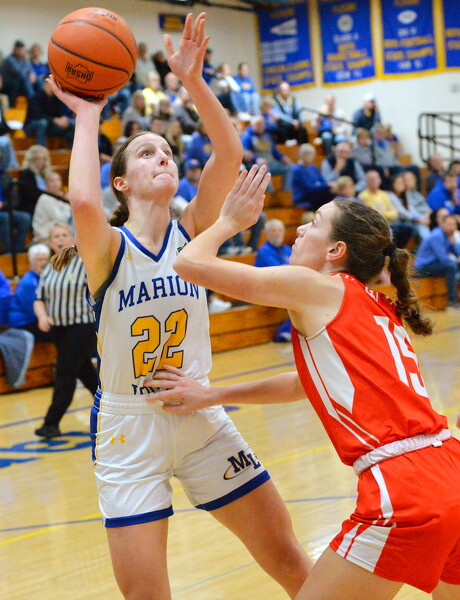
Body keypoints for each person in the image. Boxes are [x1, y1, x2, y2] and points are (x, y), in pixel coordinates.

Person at [46, 13, 311, 600]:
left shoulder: (193, 232)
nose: (162, 157)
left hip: (201, 414)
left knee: (290, 559)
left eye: (167, 151)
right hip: (129, 429)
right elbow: (83, 201)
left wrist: (192, 80)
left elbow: (228, 151)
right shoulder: (108, 248)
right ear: (122, 183)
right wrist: (87, 114)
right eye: (146, 153)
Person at [151, 165, 460, 600]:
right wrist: (215, 394)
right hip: (449, 466)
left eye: (313, 223)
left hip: (406, 488)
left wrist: (229, 222)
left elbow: (188, 263)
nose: (300, 228)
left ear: (335, 250)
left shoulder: (314, 286)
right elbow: (307, 382)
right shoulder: (374, 303)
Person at [34, 222, 98, 438]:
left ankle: (51, 423)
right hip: (58, 330)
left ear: (71, 239)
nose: (60, 239)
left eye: (64, 235)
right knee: (86, 373)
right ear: (51, 243)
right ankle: (110, 408)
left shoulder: (83, 263)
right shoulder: (49, 267)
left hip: (81, 326)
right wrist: (42, 316)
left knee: (65, 373)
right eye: (56, 236)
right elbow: (39, 298)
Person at [8, 242, 52, 341]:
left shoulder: (43, 277)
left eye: (46, 259)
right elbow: (33, 310)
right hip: (24, 323)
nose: (43, 263)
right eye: (39, 260)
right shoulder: (29, 282)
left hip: (34, 320)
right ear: (31, 262)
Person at [414, 212, 460, 307]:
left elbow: (457, 254)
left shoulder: (448, 236)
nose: (452, 227)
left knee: (452, 265)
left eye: (454, 225)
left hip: (435, 264)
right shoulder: (437, 235)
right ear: (442, 224)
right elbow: (443, 258)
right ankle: (452, 300)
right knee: (451, 266)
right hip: (423, 267)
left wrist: (453, 243)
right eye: (449, 224)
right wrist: (456, 261)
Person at [359, 170, 413, 248]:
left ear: (380, 180)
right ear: (366, 182)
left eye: (376, 178)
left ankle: (397, 251)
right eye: (371, 179)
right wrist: (386, 212)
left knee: (409, 227)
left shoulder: (383, 194)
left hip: (390, 223)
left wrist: (384, 213)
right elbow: (374, 215)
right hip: (376, 226)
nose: (374, 181)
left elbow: (394, 212)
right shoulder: (363, 196)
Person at [23, 78, 75, 148]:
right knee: (42, 123)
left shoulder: (56, 99)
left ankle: (71, 150)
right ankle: (41, 149)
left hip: (50, 127)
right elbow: (38, 116)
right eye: (51, 84)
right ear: (45, 84)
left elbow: (60, 114)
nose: (52, 87)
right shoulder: (35, 98)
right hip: (31, 127)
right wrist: (55, 120)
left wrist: (63, 119)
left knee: (71, 123)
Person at [32, 171, 72, 243]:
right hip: (45, 236)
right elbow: (61, 219)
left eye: (58, 180)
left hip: (57, 233)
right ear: (46, 184)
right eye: (52, 181)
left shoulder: (59, 196)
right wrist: (67, 201)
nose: (55, 183)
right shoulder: (45, 198)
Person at [292, 143, 333, 211]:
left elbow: (322, 180)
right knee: (328, 195)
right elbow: (308, 187)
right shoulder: (298, 169)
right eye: (306, 155)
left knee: (331, 191)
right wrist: (326, 185)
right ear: (301, 155)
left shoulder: (313, 167)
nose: (309, 157)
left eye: (311, 155)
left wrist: (327, 185)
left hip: (314, 193)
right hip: (303, 197)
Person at [17, 144, 52, 217]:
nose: (41, 161)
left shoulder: (44, 174)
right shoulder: (27, 174)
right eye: (38, 159)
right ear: (32, 160)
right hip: (32, 206)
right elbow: (30, 195)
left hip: (45, 203)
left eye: (43, 159)